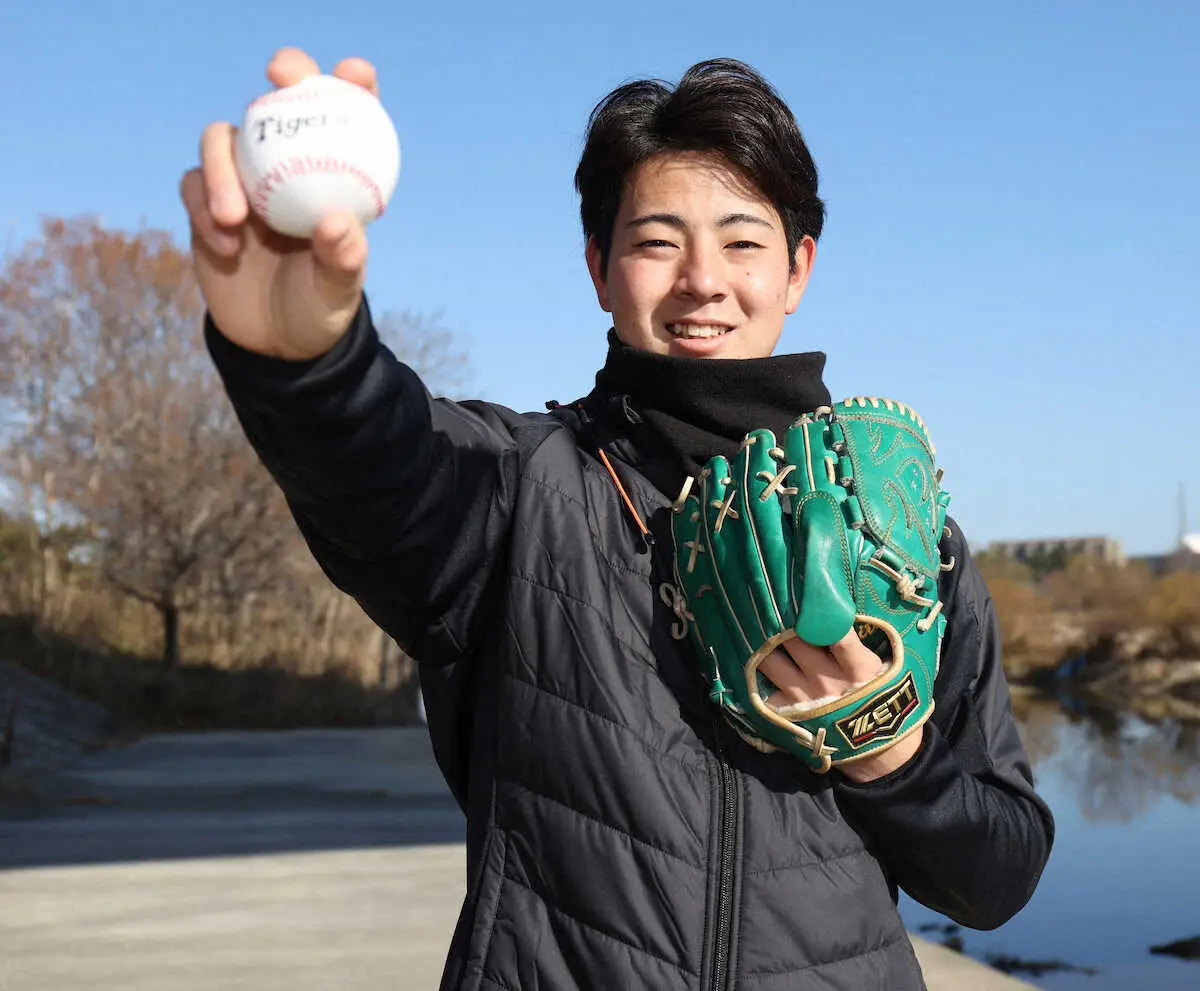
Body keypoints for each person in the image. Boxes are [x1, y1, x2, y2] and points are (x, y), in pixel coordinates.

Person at [182, 48, 1054, 991]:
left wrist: (887, 747)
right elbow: (379, 472)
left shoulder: (906, 536)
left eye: (743, 240)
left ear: (798, 269)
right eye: (656, 241)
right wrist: (309, 365)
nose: (702, 280)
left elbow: (996, 877)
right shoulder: (521, 489)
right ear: (599, 267)